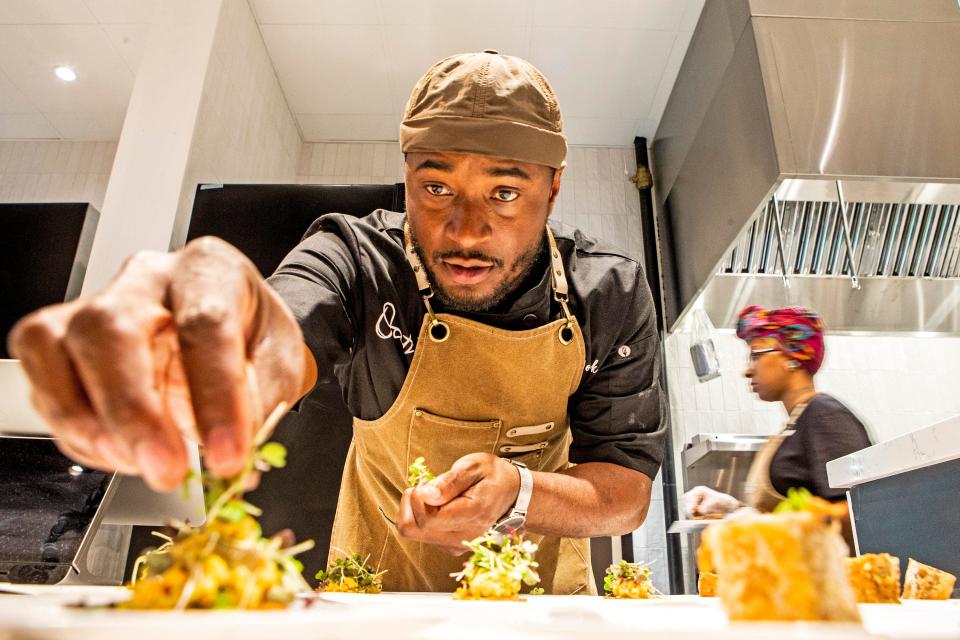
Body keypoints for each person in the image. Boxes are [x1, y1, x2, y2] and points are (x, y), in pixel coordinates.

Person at [8, 51, 666, 595]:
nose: (466, 231)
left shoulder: (606, 292)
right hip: (375, 595)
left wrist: (518, 491)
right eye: (436, 188)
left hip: (545, 602)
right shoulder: (358, 257)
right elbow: (283, 321)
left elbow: (626, 490)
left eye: (504, 191)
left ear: (552, 188)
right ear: (407, 176)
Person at [684, 305, 871, 518]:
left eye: (756, 355)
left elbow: (856, 514)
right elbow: (783, 514)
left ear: (791, 357)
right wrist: (732, 509)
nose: (747, 370)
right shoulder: (797, 421)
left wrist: (758, 522)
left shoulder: (825, 415)